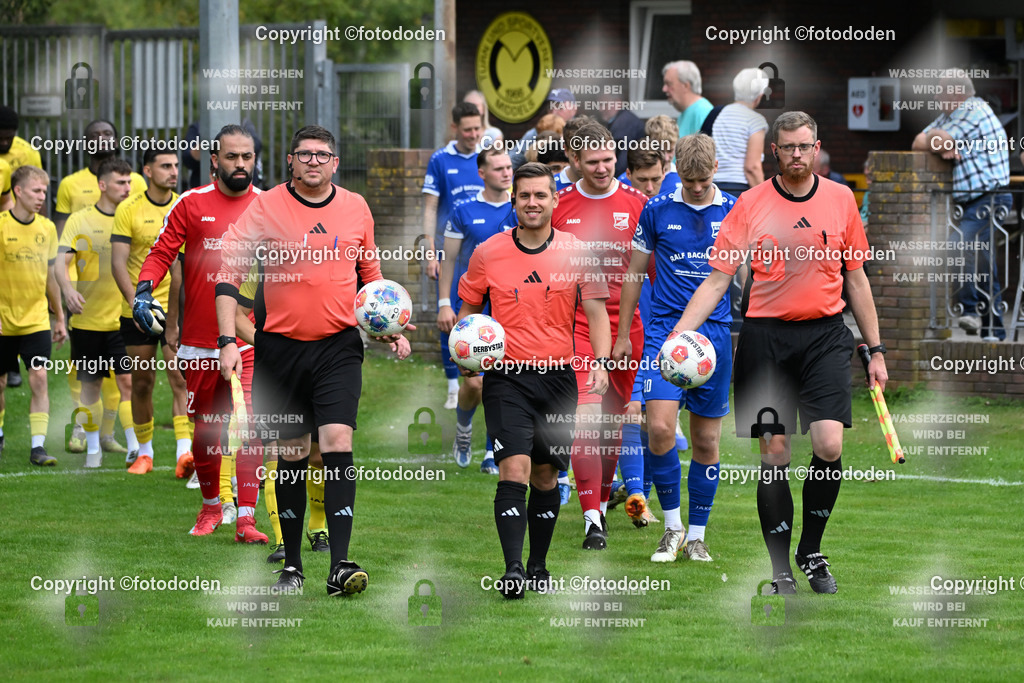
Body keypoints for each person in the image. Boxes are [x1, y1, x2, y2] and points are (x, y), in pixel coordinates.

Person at [670, 111, 887, 594]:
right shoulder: (749, 204)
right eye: (786, 147)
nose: (795, 154)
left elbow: (857, 278)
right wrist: (680, 334)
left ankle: (811, 551)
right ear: (774, 151)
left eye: (803, 146)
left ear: (816, 147)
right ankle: (780, 569)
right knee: (775, 453)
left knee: (829, 445)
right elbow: (719, 279)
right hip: (766, 339)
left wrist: (876, 349)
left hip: (827, 336)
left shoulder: (841, 199)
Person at [214, 124, 412, 595]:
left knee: (338, 442)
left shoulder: (356, 208)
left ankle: (340, 564)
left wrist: (388, 328)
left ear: (335, 163)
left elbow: (372, 281)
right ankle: (293, 566)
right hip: (280, 350)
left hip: (338, 348)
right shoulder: (264, 208)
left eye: (322, 156)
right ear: (290, 160)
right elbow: (227, 276)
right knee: (293, 453)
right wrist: (226, 340)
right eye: (305, 155)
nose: (313, 162)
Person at [457, 161, 610, 598]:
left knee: (545, 475)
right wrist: (466, 352)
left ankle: (539, 565)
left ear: (555, 199)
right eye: (524, 195)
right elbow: (468, 310)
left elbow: (596, 311)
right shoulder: (488, 251)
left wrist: (599, 362)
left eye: (540, 195)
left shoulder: (577, 251)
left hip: (559, 379)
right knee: (516, 470)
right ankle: (513, 568)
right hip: (507, 379)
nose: (532, 203)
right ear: (513, 200)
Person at [134, 125, 268, 542]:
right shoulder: (190, 205)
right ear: (214, 160)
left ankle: (246, 519)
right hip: (198, 341)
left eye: (247, 157)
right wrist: (142, 292)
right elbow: (160, 252)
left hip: (248, 338)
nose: (240, 164)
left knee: (249, 426)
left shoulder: (269, 205)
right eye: (232, 157)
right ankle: (211, 509)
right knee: (207, 432)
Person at [615, 133, 736, 562]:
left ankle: (698, 535)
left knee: (705, 440)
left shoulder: (733, 211)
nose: (697, 187)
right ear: (676, 172)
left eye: (703, 180)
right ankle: (672, 528)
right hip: (663, 334)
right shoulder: (657, 209)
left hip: (715, 337)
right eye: (688, 180)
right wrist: (625, 332)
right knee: (661, 429)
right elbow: (633, 273)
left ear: (715, 169)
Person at [552, 122, 648, 550]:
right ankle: (592, 517)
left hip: (628, 330)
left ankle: (602, 499)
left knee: (611, 423)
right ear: (574, 161)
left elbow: (652, 273)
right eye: (592, 162)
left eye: (609, 160)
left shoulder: (639, 204)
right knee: (586, 419)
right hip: (576, 328)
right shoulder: (559, 205)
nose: (603, 168)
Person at [55, 119, 148, 456]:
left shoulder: (131, 217)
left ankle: (133, 446)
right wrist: (67, 290)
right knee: (89, 385)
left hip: (123, 316)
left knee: (126, 381)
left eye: (129, 183)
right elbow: (62, 258)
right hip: (88, 316)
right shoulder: (81, 218)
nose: (127, 188)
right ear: (102, 185)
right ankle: (88, 437)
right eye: (120, 183)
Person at [111, 149, 192, 477]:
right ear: (147, 170)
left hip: (174, 307)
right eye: (165, 166)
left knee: (181, 378)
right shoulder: (128, 208)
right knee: (142, 382)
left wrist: (175, 315)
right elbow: (118, 262)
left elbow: (182, 267)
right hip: (137, 309)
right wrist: (137, 303)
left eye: (176, 166)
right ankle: (144, 454)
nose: (173, 171)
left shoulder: (183, 206)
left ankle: (184, 454)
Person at [912, 76, 1011, 341]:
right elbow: (918, 141)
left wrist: (939, 139)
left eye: (939, 93)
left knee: (960, 245)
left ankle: (970, 310)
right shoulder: (950, 116)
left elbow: (940, 140)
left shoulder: (973, 110)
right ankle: (995, 331)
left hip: (990, 198)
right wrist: (937, 138)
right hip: (972, 201)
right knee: (984, 263)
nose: (935, 99)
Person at [436, 147, 516, 473]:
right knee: (474, 383)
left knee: (504, 383)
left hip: (510, 306)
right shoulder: (463, 210)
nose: (506, 173)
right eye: (498, 168)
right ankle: (464, 428)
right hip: (471, 304)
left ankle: (490, 451)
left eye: (509, 167)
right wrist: (444, 303)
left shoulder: (521, 207)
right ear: (481, 173)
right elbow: (449, 260)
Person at [0, 166, 66, 464]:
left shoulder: (47, 228)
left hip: (37, 320)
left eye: (44, 191)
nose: (42, 197)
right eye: (36, 191)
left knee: (39, 377)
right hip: (3, 322)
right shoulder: (1, 226)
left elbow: (50, 276)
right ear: (18, 191)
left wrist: (60, 317)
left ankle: (38, 448)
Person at [422, 102, 484, 409]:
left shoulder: (489, 158)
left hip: (483, 255)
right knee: (449, 319)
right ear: (455, 128)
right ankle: (451, 385)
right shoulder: (441, 160)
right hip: (451, 255)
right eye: (468, 129)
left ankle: (482, 377)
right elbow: (431, 208)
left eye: (477, 128)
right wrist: (429, 252)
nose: (473, 134)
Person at [710, 68, 770, 195]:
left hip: (713, 188)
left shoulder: (717, 113)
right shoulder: (756, 120)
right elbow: (752, 167)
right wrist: (764, 196)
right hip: (739, 189)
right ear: (759, 95)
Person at [510, 89, 579, 170]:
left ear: (574, 109)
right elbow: (512, 161)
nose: (553, 112)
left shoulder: (582, 130)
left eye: (559, 107)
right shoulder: (535, 132)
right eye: (550, 107)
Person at [662, 61, 714, 137]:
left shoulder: (703, 113)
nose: (664, 89)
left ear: (686, 86)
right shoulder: (685, 113)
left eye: (669, 84)